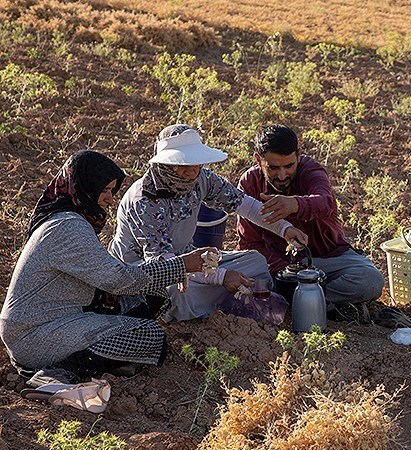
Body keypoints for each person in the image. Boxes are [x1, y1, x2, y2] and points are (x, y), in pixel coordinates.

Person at [0, 151, 208, 387]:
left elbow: (112, 276)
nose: (110, 198)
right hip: (34, 333)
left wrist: (174, 268)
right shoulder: (69, 228)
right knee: (150, 334)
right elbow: (118, 280)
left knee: (151, 296)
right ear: (84, 187)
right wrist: (182, 264)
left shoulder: (69, 220)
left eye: (112, 191)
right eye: (104, 190)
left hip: (52, 321)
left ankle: (105, 357)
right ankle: (59, 371)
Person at [108, 124, 308, 323]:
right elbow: (162, 264)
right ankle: (219, 304)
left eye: (195, 163)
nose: (192, 171)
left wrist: (284, 228)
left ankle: (222, 302)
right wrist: (220, 276)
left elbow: (244, 205)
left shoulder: (202, 179)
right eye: (183, 165)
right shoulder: (144, 200)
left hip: (191, 260)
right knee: (176, 294)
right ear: (165, 165)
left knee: (255, 261)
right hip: (145, 270)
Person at [236, 123, 385, 324]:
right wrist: (286, 273)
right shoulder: (250, 182)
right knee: (241, 275)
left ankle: (301, 300)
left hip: (329, 259)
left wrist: (295, 204)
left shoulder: (310, 170)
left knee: (370, 280)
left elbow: (326, 202)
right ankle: (318, 301)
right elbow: (250, 244)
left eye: (288, 166)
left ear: (298, 155)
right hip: (280, 266)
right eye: (273, 167)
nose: (281, 176)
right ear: (258, 160)